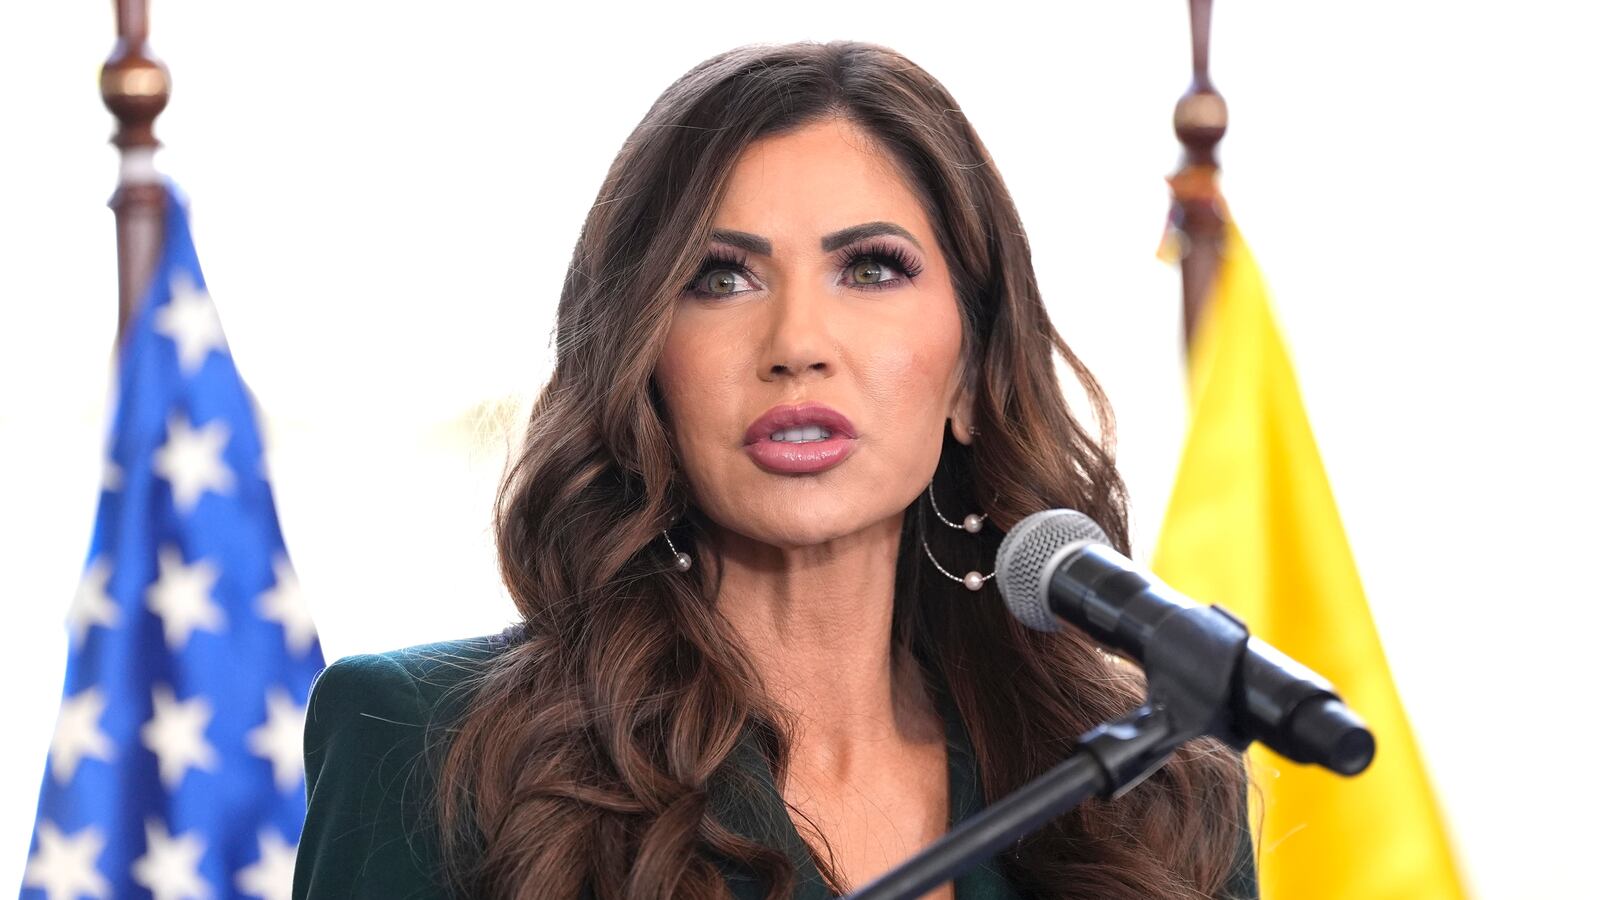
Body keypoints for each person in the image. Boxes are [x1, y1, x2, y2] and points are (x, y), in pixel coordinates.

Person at [291, 39, 1259, 900]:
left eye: (871, 269)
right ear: (643, 368)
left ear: (971, 372)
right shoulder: (424, 746)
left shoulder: (1152, 793)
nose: (797, 342)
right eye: (721, 277)